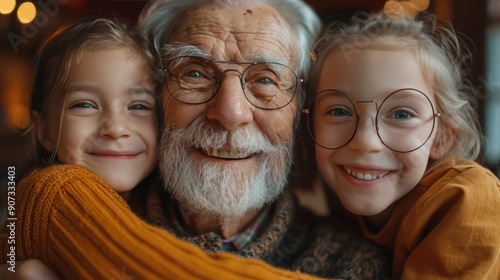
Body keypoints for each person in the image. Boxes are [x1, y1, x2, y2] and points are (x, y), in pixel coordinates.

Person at [1, 1, 388, 279]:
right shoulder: (61, 222)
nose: (231, 112)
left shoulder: (351, 265)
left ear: (299, 108)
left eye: (266, 79)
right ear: (156, 97)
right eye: (195, 73)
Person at [298, 11, 500, 279]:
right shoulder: (343, 190)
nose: (365, 142)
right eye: (339, 111)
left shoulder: (468, 197)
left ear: (441, 137)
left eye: (401, 114)